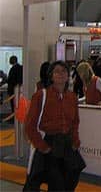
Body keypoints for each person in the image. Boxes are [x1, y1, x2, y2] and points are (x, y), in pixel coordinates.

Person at [24, 61, 82, 192]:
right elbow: (30, 125)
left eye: (64, 71)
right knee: (52, 182)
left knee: (70, 178)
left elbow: (75, 122)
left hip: (66, 144)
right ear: (51, 75)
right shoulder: (41, 95)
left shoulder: (72, 97)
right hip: (48, 143)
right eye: (57, 71)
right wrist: (43, 147)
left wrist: (75, 141)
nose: (61, 74)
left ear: (68, 75)